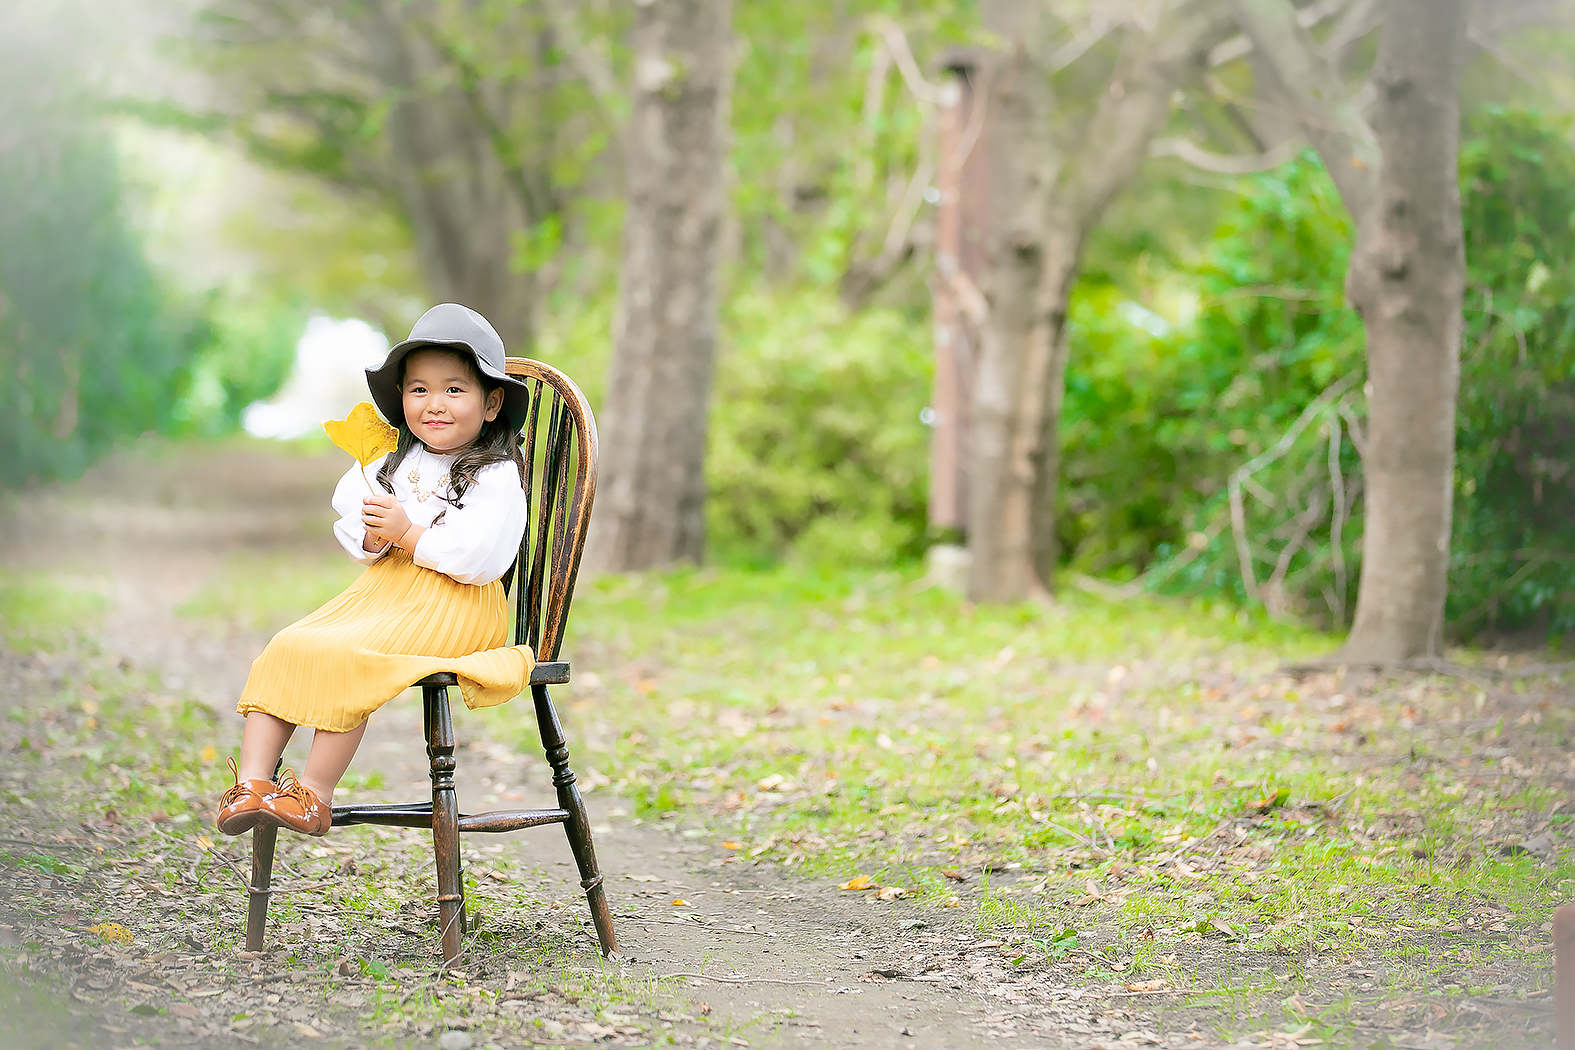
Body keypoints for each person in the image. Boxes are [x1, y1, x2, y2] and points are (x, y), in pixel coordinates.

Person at [215, 304, 536, 837]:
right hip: (386, 592)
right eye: (419, 390)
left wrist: (409, 533)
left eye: (454, 390)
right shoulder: (395, 459)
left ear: (491, 402)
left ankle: (314, 793)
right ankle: (253, 785)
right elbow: (353, 519)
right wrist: (371, 534)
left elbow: (482, 557)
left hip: (459, 602)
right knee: (292, 644)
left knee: (351, 655)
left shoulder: (495, 474)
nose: (434, 404)